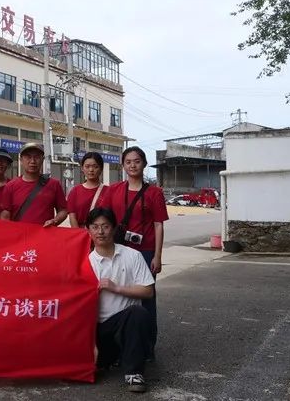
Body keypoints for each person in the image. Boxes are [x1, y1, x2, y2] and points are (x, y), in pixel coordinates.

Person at [103, 146, 169, 358]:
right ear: (123, 165)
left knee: (146, 299)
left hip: (145, 252)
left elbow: (158, 225)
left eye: (137, 161)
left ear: (144, 164)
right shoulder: (113, 190)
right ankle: (119, 347)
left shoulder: (154, 193)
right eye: (128, 162)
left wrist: (158, 256)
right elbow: (104, 218)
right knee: (117, 297)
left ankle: (147, 348)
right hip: (118, 251)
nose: (132, 165)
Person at [86, 207, 155, 393]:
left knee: (138, 313)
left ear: (114, 228)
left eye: (105, 226)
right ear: (88, 230)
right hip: (99, 330)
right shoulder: (85, 262)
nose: (100, 232)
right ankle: (106, 359)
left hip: (126, 325)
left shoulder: (132, 255)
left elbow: (148, 291)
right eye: (95, 227)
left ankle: (134, 373)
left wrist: (116, 288)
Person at [0, 143, 68, 226]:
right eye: (28, 157)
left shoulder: (54, 184)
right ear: (21, 160)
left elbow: (63, 210)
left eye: (37, 157)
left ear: (42, 160)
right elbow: (5, 213)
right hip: (19, 233)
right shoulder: (10, 186)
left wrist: (55, 221)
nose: (32, 161)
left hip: (44, 233)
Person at [67, 152, 109, 228]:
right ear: (82, 168)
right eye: (87, 166)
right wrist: (79, 234)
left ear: (101, 169)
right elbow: (72, 217)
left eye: (95, 167)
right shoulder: (75, 191)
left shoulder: (109, 191)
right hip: (81, 232)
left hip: (101, 232)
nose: (91, 170)